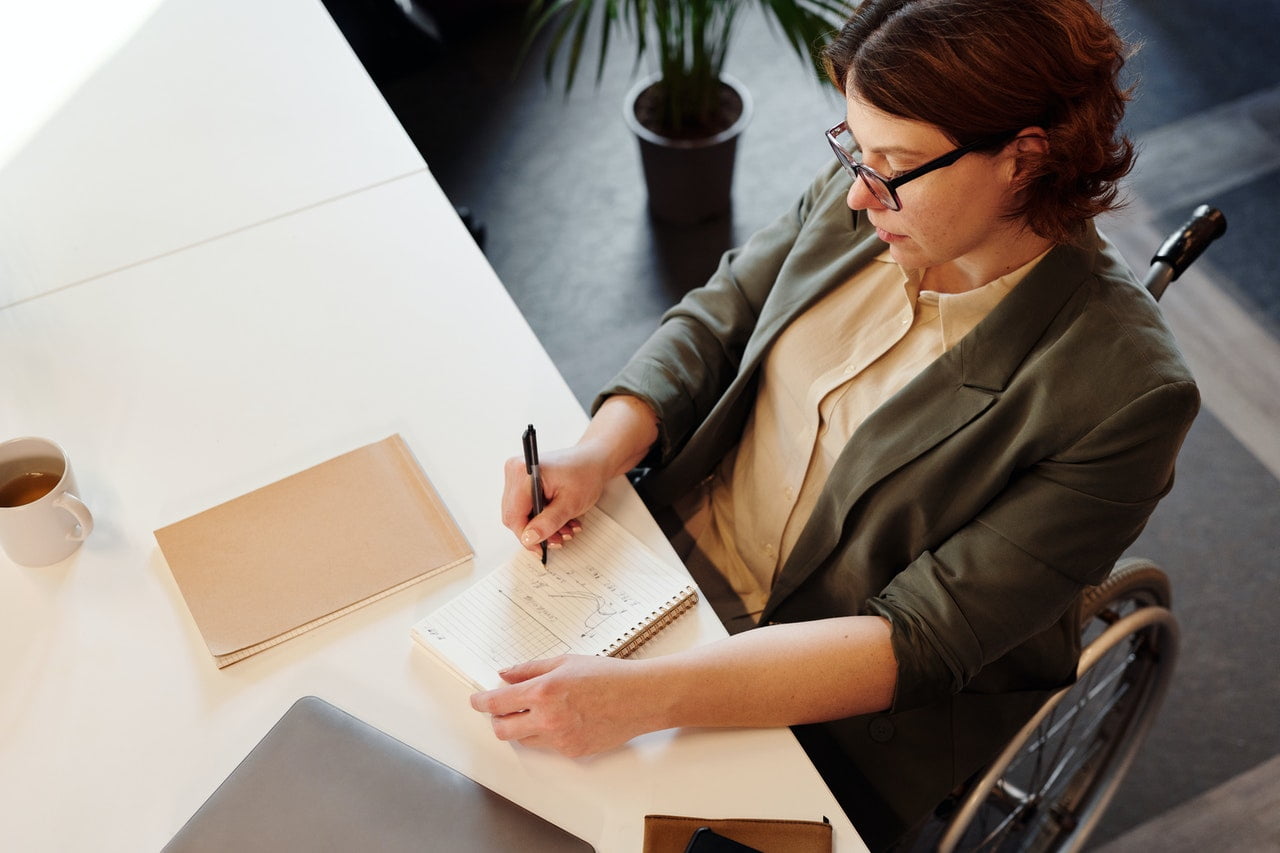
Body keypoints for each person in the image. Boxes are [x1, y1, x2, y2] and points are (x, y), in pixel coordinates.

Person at [470, 0, 1199, 847]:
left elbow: (918, 636)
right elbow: (724, 315)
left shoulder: (1129, 396)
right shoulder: (876, 197)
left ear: (1022, 159)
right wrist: (598, 452)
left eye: (891, 162)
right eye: (854, 147)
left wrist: (643, 695)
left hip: (831, 700)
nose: (858, 189)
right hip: (657, 567)